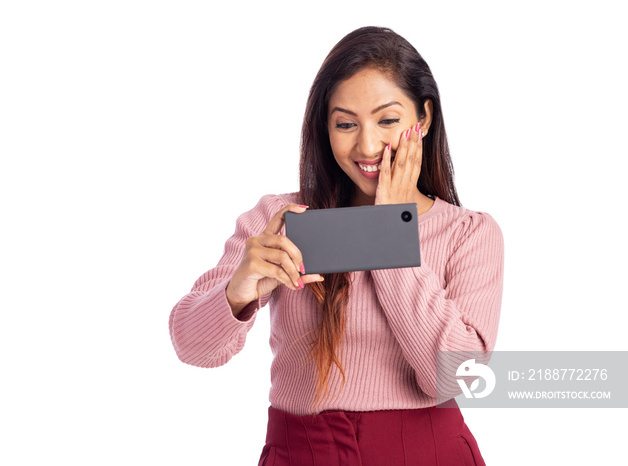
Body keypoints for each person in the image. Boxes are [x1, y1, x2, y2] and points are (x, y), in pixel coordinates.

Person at [169, 26, 504, 466]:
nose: (366, 145)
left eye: (387, 120)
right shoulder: (279, 219)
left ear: (422, 118)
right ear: (324, 127)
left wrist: (390, 231)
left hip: (426, 453)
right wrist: (239, 289)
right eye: (345, 124)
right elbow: (191, 348)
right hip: (300, 451)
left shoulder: (468, 233)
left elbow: (454, 380)